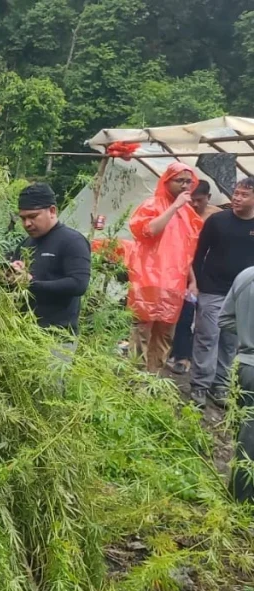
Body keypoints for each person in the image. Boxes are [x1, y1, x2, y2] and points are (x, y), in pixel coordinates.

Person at [127, 163, 204, 374]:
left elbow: (185, 252)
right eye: (180, 180)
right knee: (141, 333)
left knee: (164, 336)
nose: (186, 185)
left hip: (174, 283)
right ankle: (134, 381)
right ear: (167, 181)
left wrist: (193, 280)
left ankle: (152, 379)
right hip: (147, 280)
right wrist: (175, 206)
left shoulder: (189, 215)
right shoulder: (151, 205)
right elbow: (148, 231)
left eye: (189, 181)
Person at [188, 177, 254, 408]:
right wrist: (194, 282)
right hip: (213, 288)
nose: (236, 197)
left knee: (231, 341)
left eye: (244, 195)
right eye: (236, 193)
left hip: (243, 294)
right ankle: (199, 386)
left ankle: (221, 386)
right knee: (207, 337)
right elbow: (198, 254)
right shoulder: (217, 221)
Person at [9, 183, 92, 332]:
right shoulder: (25, 244)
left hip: (58, 336)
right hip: (24, 332)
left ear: (52, 211)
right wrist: (10, 275)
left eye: (33, 217)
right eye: (23, 218)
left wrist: (32, 283)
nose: (27, 224)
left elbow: (79, 284)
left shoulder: (72, 241)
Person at [167, 180, 221, 374]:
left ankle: (203, 362)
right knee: (184, 313)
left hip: (212, 272)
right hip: (185, 268)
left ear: (208, 198)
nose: (195, 205)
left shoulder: (217, 217)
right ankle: (181, 355)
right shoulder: (181, 214)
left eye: (199, 200)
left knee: (207, 320)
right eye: (192, 200)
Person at [217, 264, 254, 501]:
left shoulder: (246, 275)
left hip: (243, 366)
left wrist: (246, 334)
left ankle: (238, 497)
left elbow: (224, 319)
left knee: (246, 435)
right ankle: (243, 501)